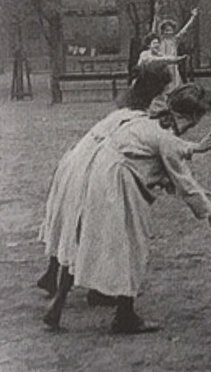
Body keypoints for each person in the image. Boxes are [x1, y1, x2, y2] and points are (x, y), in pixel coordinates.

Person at [43, 84, 211, 333]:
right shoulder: (165, 137)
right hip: (116, 181)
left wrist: (192, 153)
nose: (197, 123)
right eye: (198, 117)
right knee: (131, 245)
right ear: (190, 116)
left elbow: (164, 152)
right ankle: (125, 316)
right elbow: (184, 181)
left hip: (94, 174)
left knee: (85, 236)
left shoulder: (141, 120)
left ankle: (60, 305)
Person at [37, 63, 173, 301]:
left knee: (70, 221)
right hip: (92, 166)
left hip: (76, 161)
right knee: (103, 226)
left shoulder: (120, 113)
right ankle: (101, 290)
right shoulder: (143, 116)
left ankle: (59, 276)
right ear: (157, 92)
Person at [155, 5, 199, 92]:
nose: (168, 32)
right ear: (163, 31)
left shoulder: (175, 40)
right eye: (166, 30)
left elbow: (184, 30)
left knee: (175, 86)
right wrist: (156, 13)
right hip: (164, 66)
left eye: (170, 30)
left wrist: (193, 17)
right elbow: (155, 27)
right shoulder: (160, 40)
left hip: (173, 67)